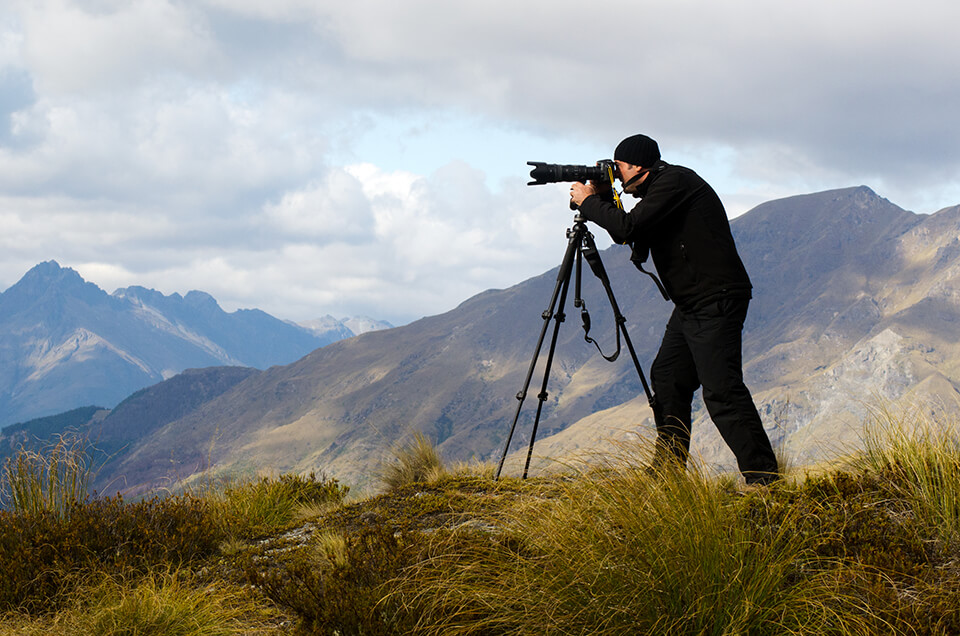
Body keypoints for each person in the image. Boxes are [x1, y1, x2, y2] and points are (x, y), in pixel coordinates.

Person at [569, 133, 779, 485]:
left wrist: (591, 201)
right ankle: (667, 472)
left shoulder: (676, 182)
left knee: (722, 390)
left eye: (618, 168)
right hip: (692, 304)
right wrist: (604, 198)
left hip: (715, 299)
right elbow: (631, 234)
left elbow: (627, 228)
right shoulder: (660, 192)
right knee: (667, 377)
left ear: (637, 165)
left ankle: (765, 480)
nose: (617, 176)